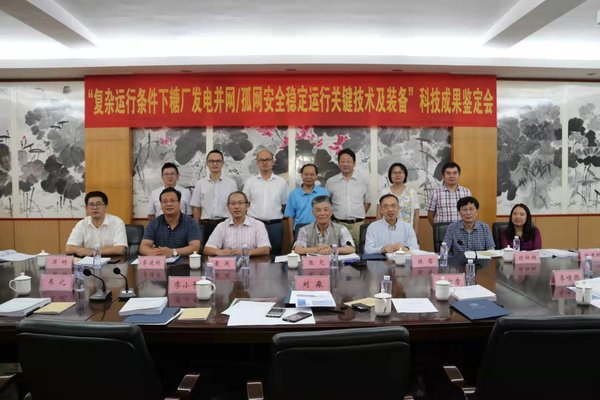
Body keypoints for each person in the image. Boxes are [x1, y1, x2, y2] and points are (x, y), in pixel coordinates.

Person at [242, 149, 287, 255]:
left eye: (267, 160)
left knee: (275, 254)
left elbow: (284, 204)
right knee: (255, 254)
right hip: (255, 224)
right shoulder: (250, 182)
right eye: (261, 160)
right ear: (257, 163)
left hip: (275, 225)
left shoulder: (281, 182)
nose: (264, 162)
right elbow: (244, 204)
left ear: (272, 162)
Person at [325, 148, 372, 245]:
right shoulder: (331, 182)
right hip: (337, 225)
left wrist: (356, 216)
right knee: (338, 250)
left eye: (348, 161)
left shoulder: (363, 181)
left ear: (354, 163)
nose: (345, 164)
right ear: (338, 163)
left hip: (357, 226)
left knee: (359, 250)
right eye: (342, 161)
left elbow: (367, 203)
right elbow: (327, 204)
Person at [203, 191, 271, 256]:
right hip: (229, 263)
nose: (236, 207)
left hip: (252, 262)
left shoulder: (258, 225)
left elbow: (265, 249)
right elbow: (207, 249)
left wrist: (245, 252)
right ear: (228, 207)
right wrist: (219, 252)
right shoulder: (222, 226)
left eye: (240, 203)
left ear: (247, 206)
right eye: (233, 203)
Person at [190, 149, 237, 242]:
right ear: (207, 163)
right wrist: (196, 228)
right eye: (211, 161)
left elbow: (235, 206)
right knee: (206, 250)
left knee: (226, 250)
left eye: (218, 161)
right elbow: (197, 207)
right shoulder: (200, 183)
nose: (215, 164)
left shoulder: (231, 183)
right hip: (206, 226)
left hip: (226, 225)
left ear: (222, 163)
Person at [139, 187, 201, 257]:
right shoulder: (154, 223)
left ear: (179, 203)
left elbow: (195, 247)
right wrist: (155, 253)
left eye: (172, 201)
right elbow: (143, 247)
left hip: (184, 262)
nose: (168, 204)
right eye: (165, 201)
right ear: (161, 204)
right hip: (161, 261)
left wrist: (173, 252)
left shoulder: (191, 222)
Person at [66, 191, 127, 256]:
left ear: (106, 207)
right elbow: (69, 248)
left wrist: (93, 252)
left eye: (98, 204)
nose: (95, 208)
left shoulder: (117, 222)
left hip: (112, 261)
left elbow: (120, 249)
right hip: (88, 261)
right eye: (91, 204)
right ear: (86, 208)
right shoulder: (81, 224)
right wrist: (83, 251)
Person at [284, 163, 329, 240]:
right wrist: (291, 235)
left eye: (312, 174)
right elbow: (290, 216)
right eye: (306, 174)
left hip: (320, 228)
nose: (309, 177)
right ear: (301, 175)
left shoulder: (324, 192)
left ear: (316, 176)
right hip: (300, 229)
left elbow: (328, 213)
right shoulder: (294, 194)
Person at [377, 162, 420, 235]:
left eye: (400, 172)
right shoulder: (383, 192)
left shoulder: (412, 192)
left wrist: (415, 234)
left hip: (407, 232)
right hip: (386, 232)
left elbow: (416, 215)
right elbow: (379, 214)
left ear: (405, 175)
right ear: (390, 175)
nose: (397, 175)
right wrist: (378, 233)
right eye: (394, 173)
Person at [427, 161, 471, 226]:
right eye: (448, 173)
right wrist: (437, 229)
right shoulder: (435, 193)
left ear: (459, 175)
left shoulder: (466, 192)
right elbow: (430, 215)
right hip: (443, 230)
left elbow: (470, 212)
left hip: (462, 229)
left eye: (455, 173)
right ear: (443, 176)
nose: (452, 176)